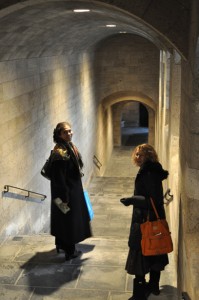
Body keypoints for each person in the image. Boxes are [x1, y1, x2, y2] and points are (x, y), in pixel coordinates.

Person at [120, 144, 169, 300]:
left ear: (148, 156)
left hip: (146, 219)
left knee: (142, 251)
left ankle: (140, 292)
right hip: (151, 217)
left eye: (140, 155)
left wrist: (131, 200)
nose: (137, 157)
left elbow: (152, 199)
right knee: (155, 250)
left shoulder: (149, 172)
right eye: (136, 154)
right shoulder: (151, 169)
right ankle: (153, 286)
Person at [50, 121, 92, 260]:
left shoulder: (69, 146)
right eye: (65, 132)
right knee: (69, 221)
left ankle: (61, 244)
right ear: (59, 134)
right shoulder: (59, 153)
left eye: (70, 131)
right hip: (65, 194)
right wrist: (65, 197)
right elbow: (59, 179)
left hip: (72, 191)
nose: (69, 133)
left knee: (64, 220)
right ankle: (70, 251)